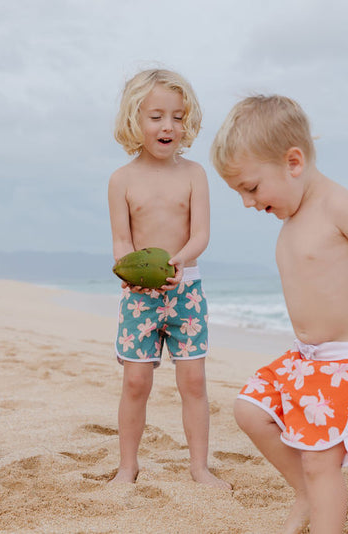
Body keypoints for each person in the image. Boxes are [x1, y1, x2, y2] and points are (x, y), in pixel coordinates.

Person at [210, 95, 348, 533]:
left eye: (251, 187)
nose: (248, 203)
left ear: (293, 162)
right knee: (250, 410)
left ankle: (319, 498)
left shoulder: (337, 206)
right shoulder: (291, 217)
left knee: (321, 462)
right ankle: (305, 491)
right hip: (306, 357)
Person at [107, 69, 229, 489]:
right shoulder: (121, 180)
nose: (168, 126)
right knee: (136, 381)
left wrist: (179, 261)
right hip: (139, 297)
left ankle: (199, 467)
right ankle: (128, 466)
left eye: (178, 117)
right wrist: (130, 271)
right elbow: (121, 241)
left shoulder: (194, 174)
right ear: (134, 121)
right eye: (156, 116)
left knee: (193, 381)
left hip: (186, 290)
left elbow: (201, 235)